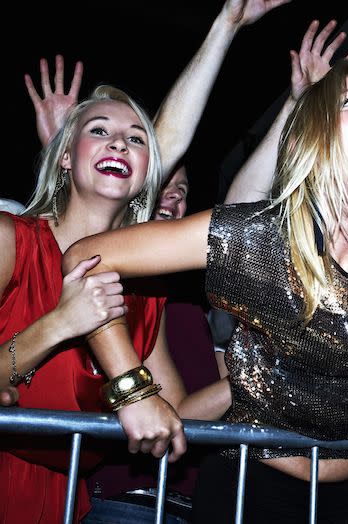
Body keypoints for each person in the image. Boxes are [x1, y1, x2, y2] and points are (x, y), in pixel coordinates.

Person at [63, 54, 348, 522]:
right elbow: (85, 256)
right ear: (310, 138)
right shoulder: (258, 237)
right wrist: (133, 389)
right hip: (248, 486)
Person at [0, 85, 176, 523]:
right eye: (100, 130)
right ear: (64, 157)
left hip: (69, 500)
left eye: (137, 138)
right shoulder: (9, 240)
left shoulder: (148, 293)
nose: (120, 142)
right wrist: (60, 322)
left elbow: (174, 415)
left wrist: (257, 376)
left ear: (145, 174)